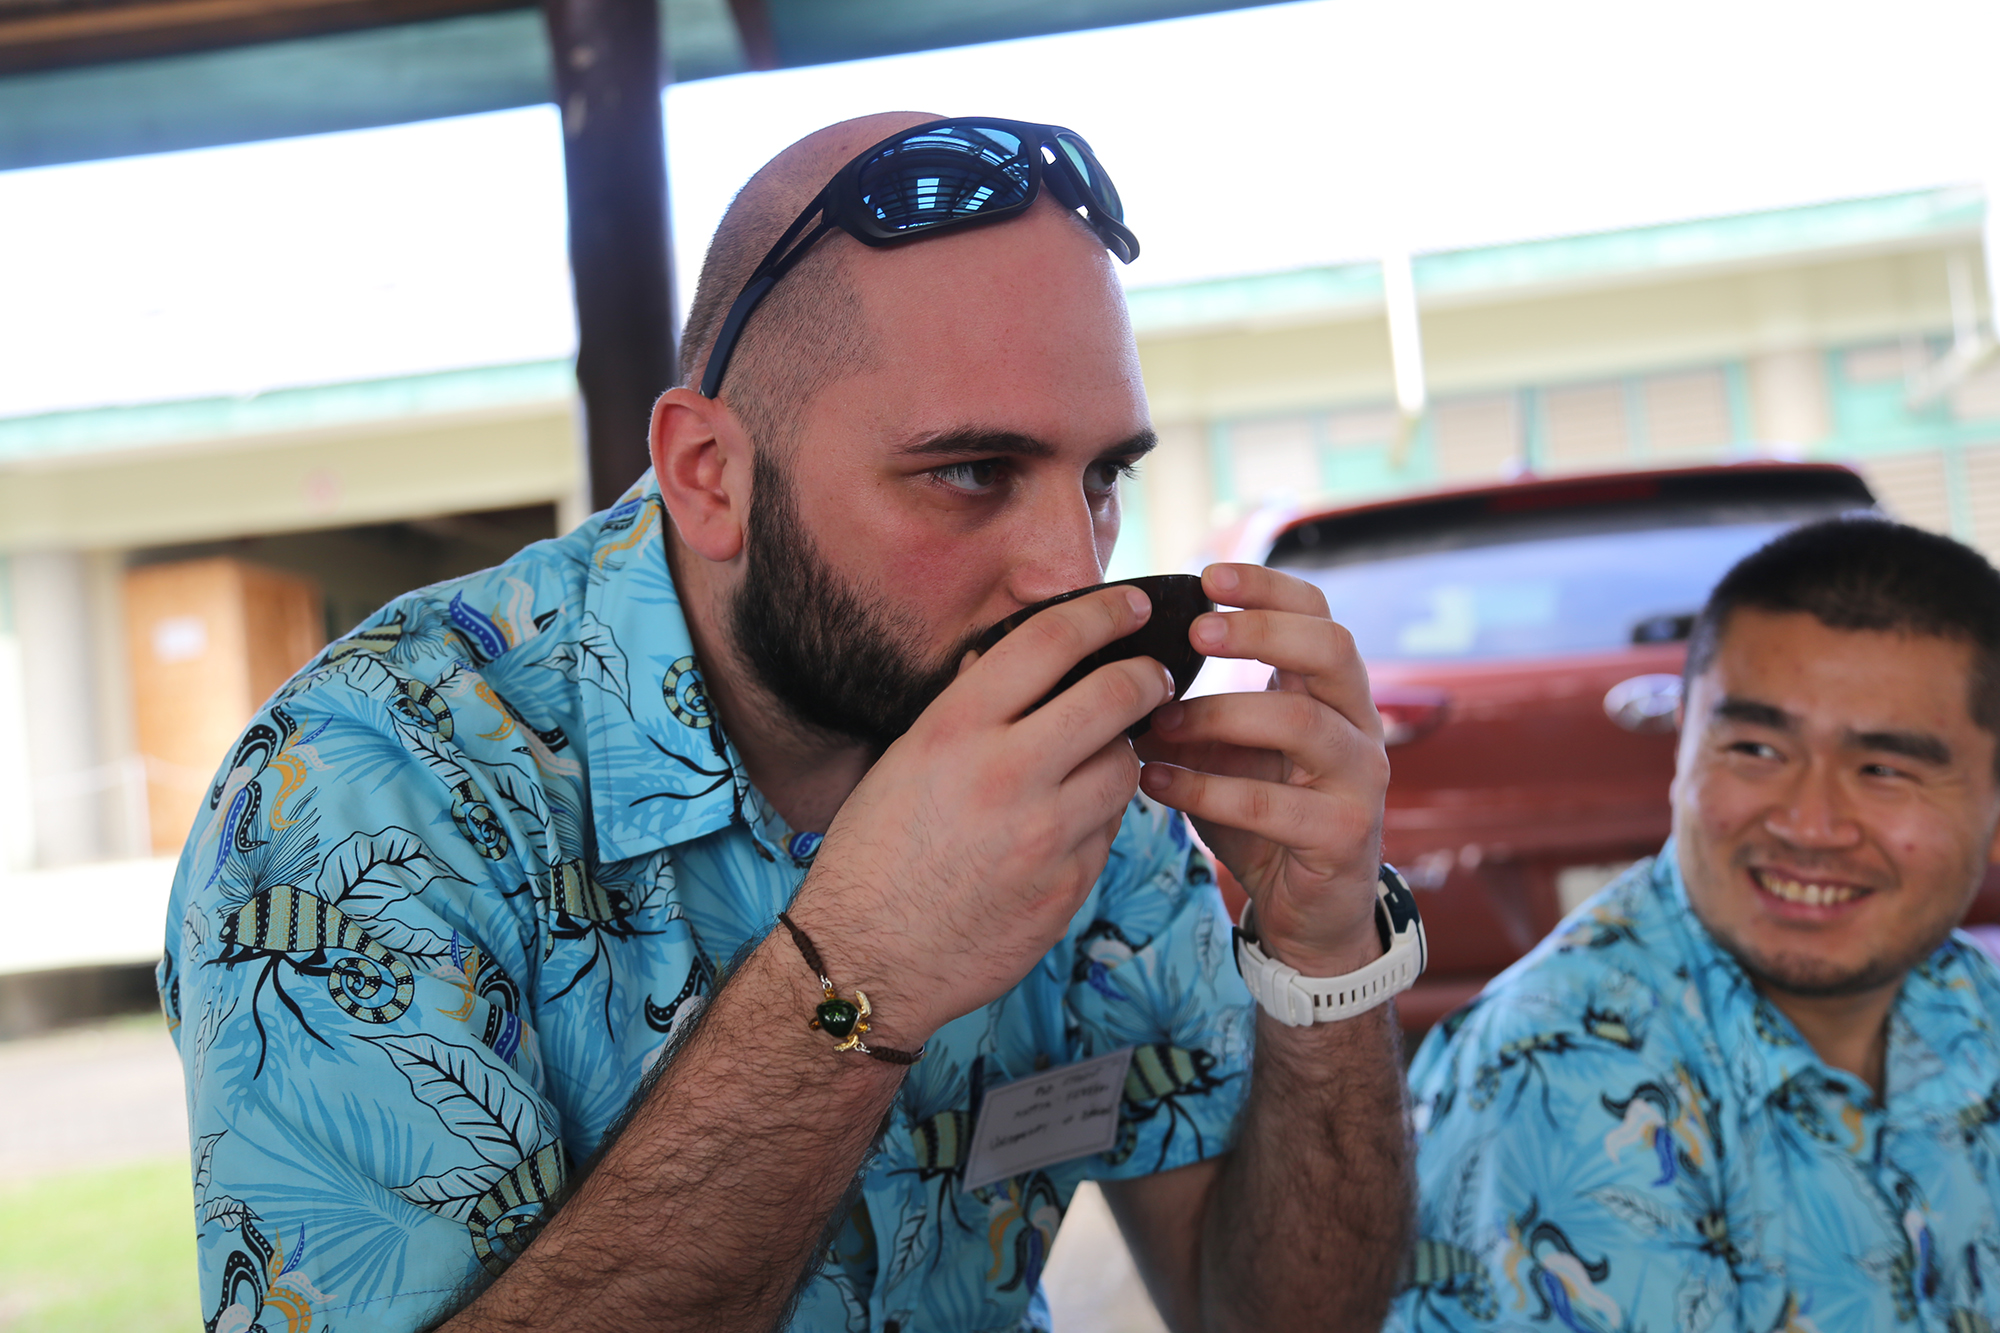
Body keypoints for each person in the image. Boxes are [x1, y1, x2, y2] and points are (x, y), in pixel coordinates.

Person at [160, 113, 1417, 1333]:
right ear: (711, 473)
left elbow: (1260, 1307)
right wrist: (860, 969)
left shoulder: (1072, 752)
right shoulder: (366, 792)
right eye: (969, 471)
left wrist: (1326, 961)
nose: (1064, 569)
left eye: (1101, 478)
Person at [1390, 515, 2000, 1331]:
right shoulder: (1565, 1070)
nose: (1808, 823)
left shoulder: (1967, 998)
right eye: (1754, 749)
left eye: (1883, 769)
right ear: (1681, 750)